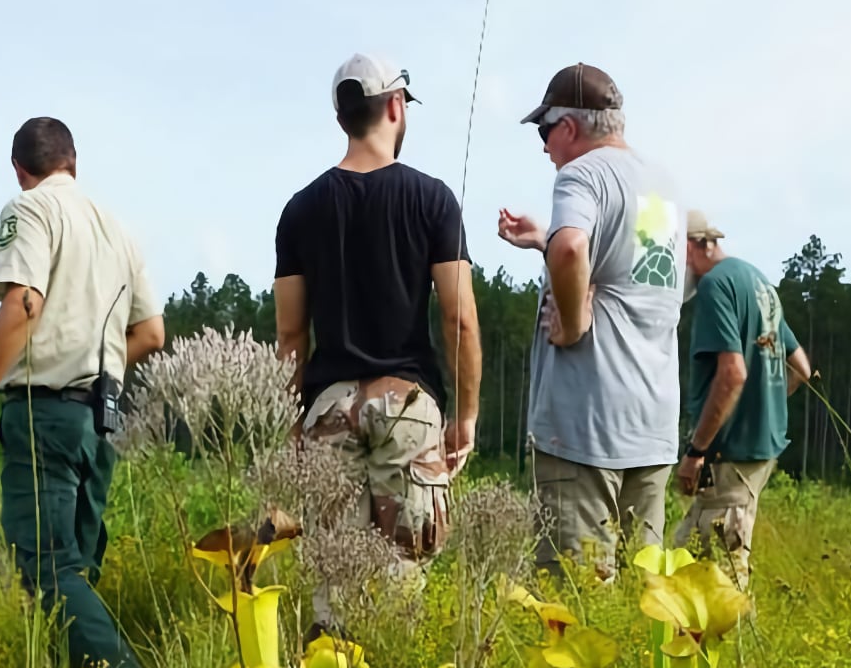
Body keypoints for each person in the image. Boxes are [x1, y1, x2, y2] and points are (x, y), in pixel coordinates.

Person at [0, 117, 166, 668]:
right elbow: (151, 334)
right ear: (73, 162)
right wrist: (99, 368)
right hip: (104, 419)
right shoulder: (119, 229)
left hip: (44, 414)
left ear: (21, 170)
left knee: (48, 565)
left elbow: (23, 302)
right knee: (79, 568)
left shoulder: (30, 210)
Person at [274, 53, 481, 566]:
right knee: (403, 582)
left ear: (342, 118)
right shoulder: (433, 199)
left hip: (327, 410)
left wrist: (291, 428)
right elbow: (459, 319)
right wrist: (466, 415)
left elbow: (291, 335)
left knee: (331, 578)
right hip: (408, 407)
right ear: (395, 105)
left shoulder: (299, 210)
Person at [497, 63, 685, 580]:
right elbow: (629, 278)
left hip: (586, 431)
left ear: (569, 127)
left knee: (576, 614)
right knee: (641, 597)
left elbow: (574, 247)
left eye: (544, 130)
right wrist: (545, 240)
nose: (543, 147)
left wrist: (575, 322)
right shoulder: (663, 187)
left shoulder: (581, 174)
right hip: (650, 429)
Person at [671, 210, 813, 590]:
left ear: (688, 247)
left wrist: (696, 450)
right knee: (683, 556)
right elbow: (801, 367)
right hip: (761, 450)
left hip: (728, 455)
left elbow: (732, 372)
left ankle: (737, 646)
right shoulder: (757, 281)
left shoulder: (715, 286)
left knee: (719, 575)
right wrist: (763, 403)